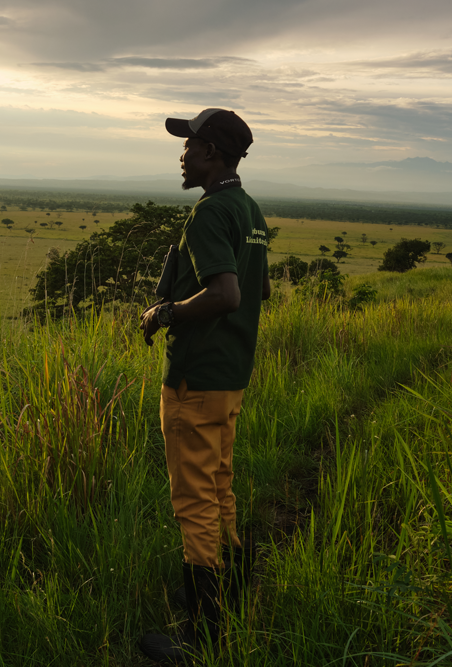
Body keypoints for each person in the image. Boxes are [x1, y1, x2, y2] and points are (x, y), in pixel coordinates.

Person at [137, 108, 271, 663]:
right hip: (232, 375)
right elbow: (258, 291)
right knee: (219, 487)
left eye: (190, 146)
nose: (183, 155)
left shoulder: (210, 211)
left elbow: (228, 294)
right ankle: (231, 602)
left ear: (212, 152)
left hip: (196, 379)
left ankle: (203, 637)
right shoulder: (249, 209)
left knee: (193, 501)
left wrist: (165, 313)